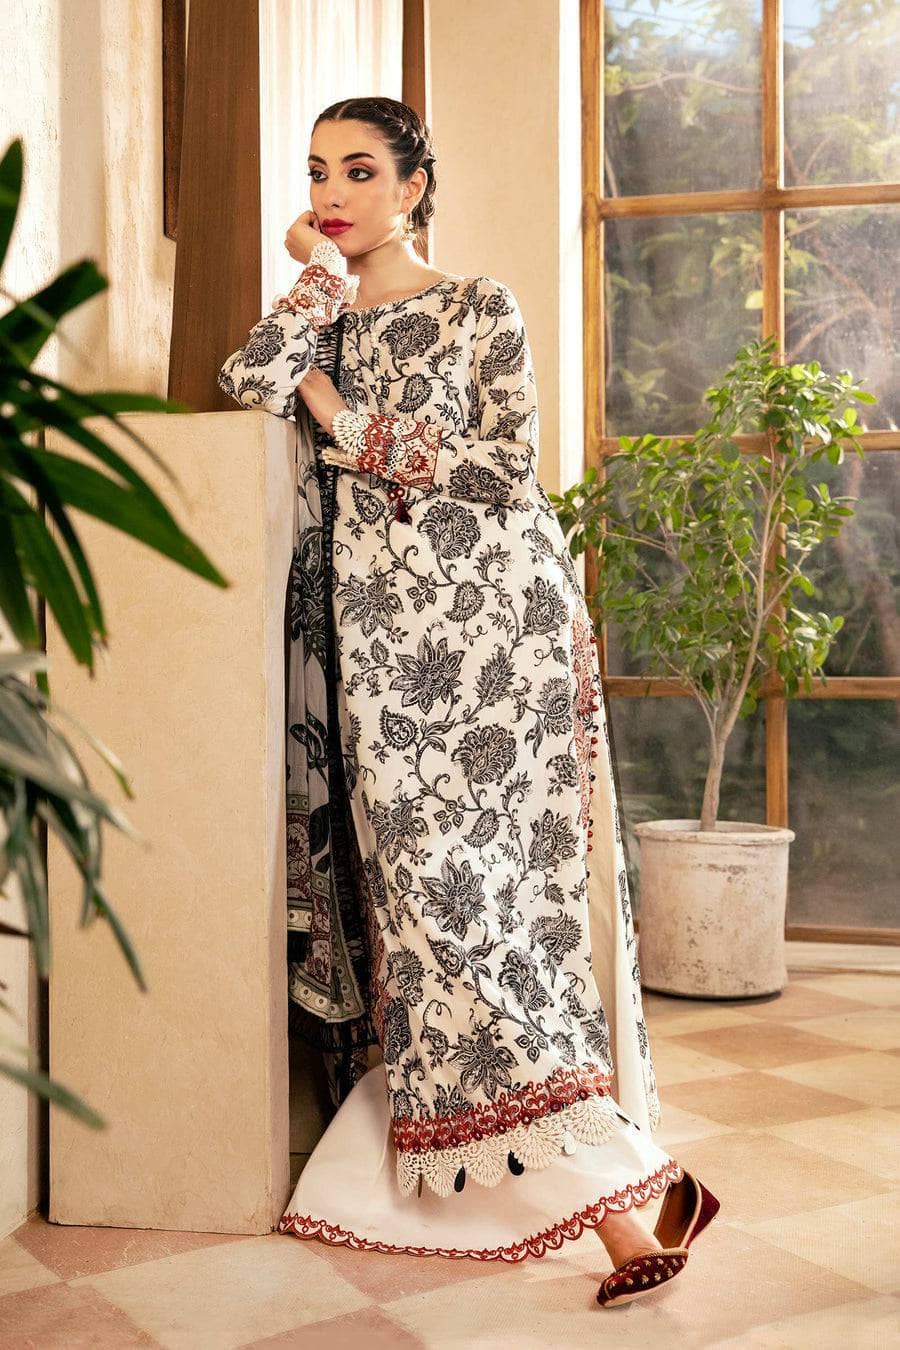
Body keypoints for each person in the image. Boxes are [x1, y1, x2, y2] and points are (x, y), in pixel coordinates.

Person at [217, 95, 719, 1304]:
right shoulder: (324, 311)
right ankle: (644, 1186)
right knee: (432, 920)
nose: (334, 193)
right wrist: (317, 283)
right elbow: (246, 380)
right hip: (380, 649)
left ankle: (626, 1215)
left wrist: (340, 418)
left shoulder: (477, 305)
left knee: (487, 913)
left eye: (361, 171)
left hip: (497, 640)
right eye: (317, 173)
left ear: (415, 183)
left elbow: (505, 466)